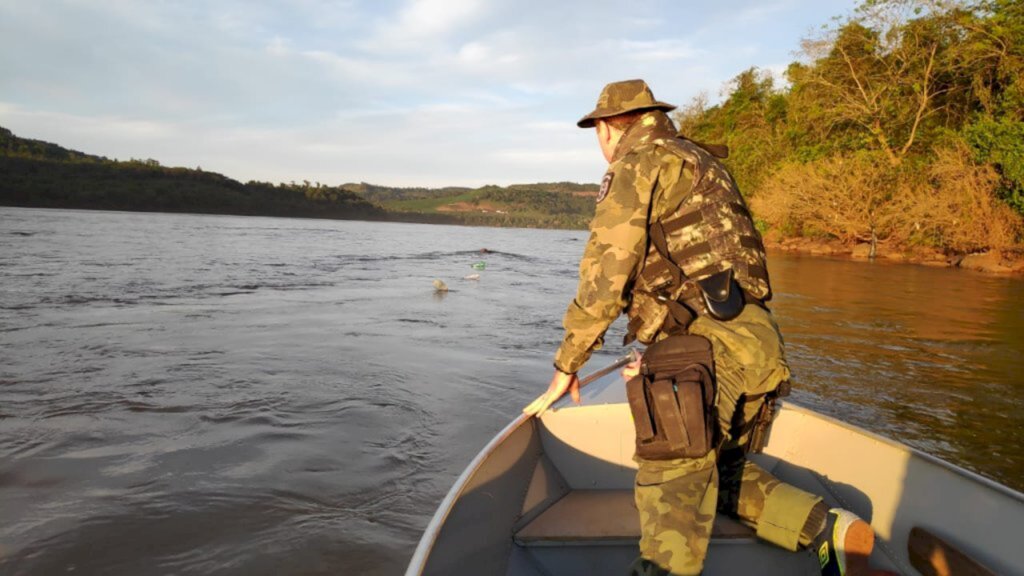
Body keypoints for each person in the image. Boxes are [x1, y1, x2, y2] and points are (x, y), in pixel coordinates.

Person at [523, 80, 886, 576]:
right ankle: (827, 529)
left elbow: (606, 270)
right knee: (717, 470)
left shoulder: (638, 163)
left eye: (598, 132)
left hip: (704, 348)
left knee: (669, 487)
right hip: (758, 344)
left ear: (607, 127)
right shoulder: (703, 163)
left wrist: (569, 361)